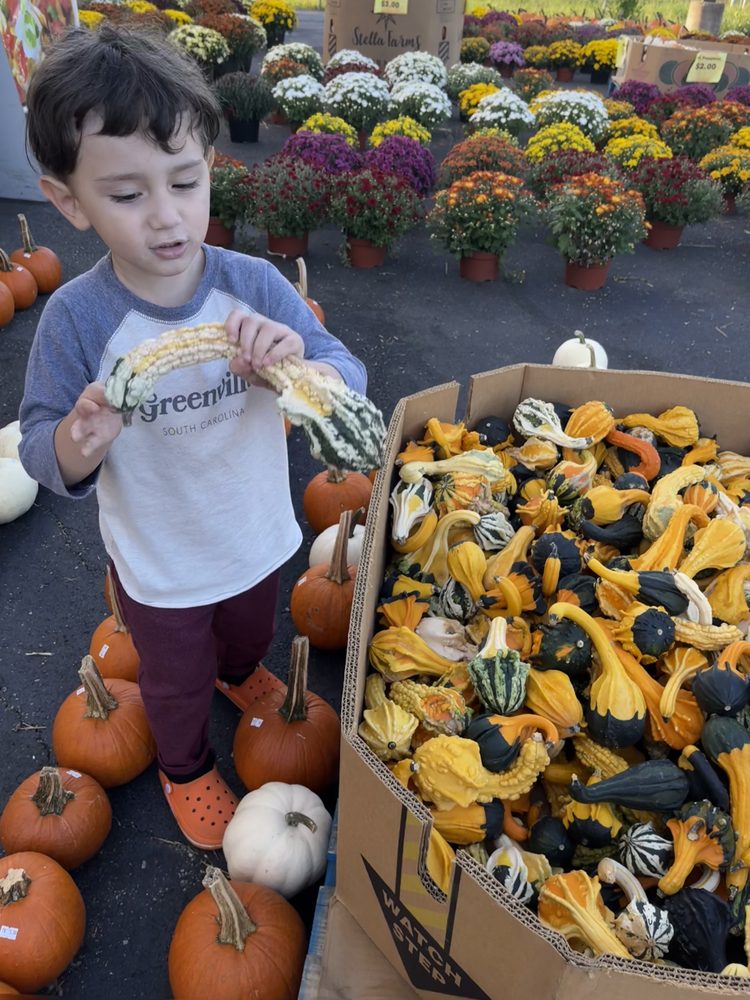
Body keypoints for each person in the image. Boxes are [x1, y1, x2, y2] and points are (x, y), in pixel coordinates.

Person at [18, 25, 367, 850]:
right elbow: (38, 448)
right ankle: (182, 766)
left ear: (211, 163)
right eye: (128, 195)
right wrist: (81, 434)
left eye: (185, 180)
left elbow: (342, 368)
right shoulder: (79, 320)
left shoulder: (252, 285)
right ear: (69, 202)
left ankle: (239, 672)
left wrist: (300, 366)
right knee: (172, 682)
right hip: (161, 563)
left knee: (251, 630)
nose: (169, 217)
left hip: (252, 533)